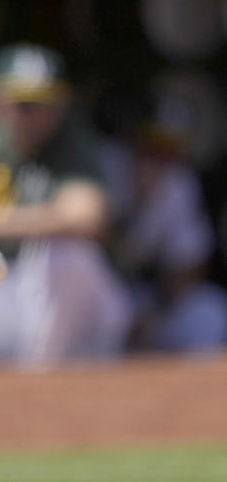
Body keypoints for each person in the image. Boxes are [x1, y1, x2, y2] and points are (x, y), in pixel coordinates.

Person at [0, 43, 132, 367]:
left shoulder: (74, 144)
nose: (32, 114)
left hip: (76, 313)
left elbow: (86, 218)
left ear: (62, 104)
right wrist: (46, 217)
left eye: (45, 102)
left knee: (62, 253)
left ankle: (47, 377)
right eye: (21, 102)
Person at [99, 89, 227, 353]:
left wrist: (155, 312)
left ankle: (187, 391)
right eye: (152, 142)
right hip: (94, 291)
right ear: (131, 138)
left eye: (170, 147)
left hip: (141, 298)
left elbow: (189, 265)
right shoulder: (103, 165)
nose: (160, 155)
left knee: (210, 309)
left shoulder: (178, 184)